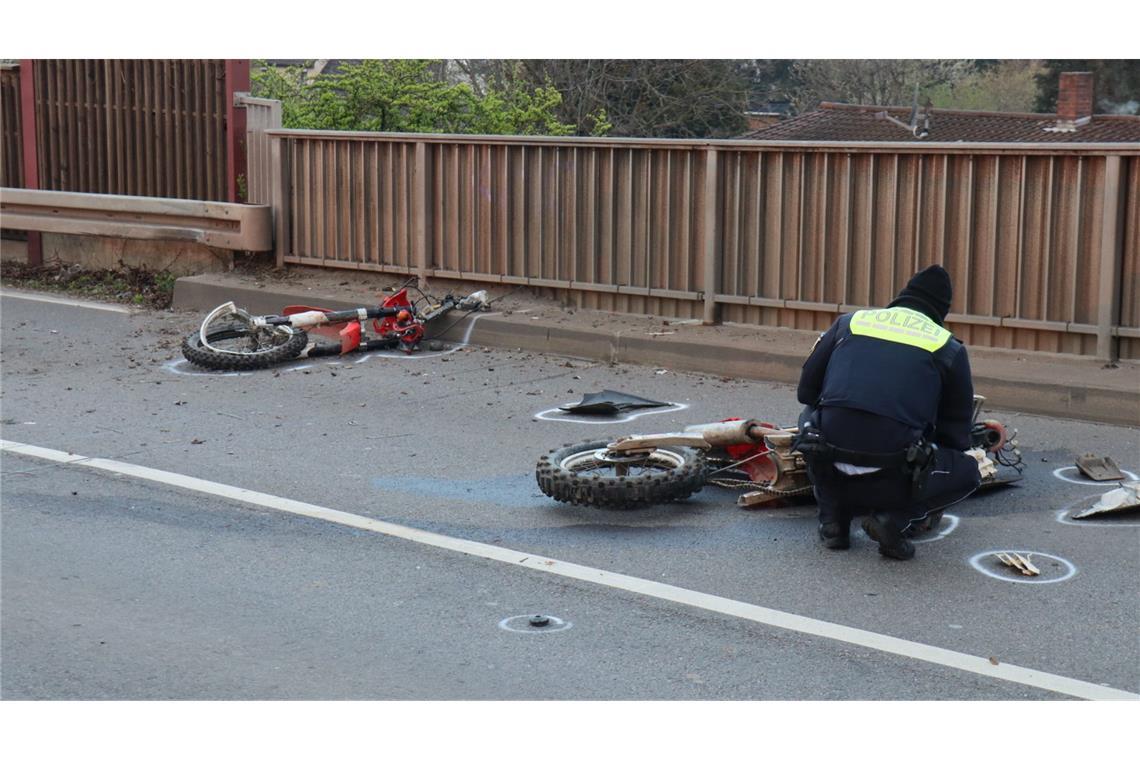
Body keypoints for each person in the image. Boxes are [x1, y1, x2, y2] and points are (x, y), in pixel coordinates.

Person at [794, 265, 981, 560]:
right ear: (941, 313)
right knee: (969, 471)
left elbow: (806, 392)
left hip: (829, 462)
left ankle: (833, 521)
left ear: (901, 297)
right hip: (892, 475)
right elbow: (956, 438)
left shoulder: (850, 322)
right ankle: (893, 520)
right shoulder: (947, 347)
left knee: (809, 417)